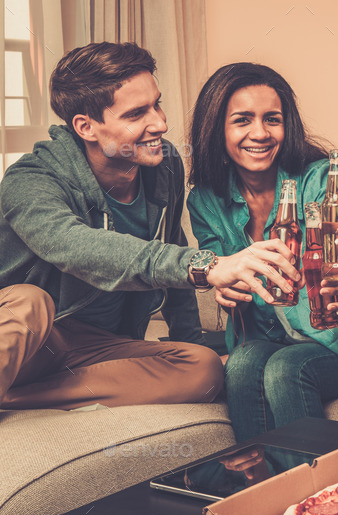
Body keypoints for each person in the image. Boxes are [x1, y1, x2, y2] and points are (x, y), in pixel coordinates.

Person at [0, 42, 301, 410]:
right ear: (86, 126)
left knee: (203, 369)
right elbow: (77, 246)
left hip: (92, 347)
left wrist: (191, 340)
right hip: (25, 335)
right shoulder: (30, 180)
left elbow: (171, 244)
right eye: (137, 113)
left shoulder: (164, 165)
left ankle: (15, 397)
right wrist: (208, 265)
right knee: (31, 302)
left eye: (156, 104)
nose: (160, 123)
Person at [187, 62, 338, 442]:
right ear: (217, 129)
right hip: (256, 341)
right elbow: (217, 269)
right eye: (242, 120)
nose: (260, 133)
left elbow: (332, 262)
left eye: (272, 119)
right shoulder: (204, 200)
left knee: (286, 369)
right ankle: (257, 488)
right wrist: (224, 287)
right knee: (240, 365)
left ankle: (319, 492)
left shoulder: (319, 177)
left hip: (330, 343)